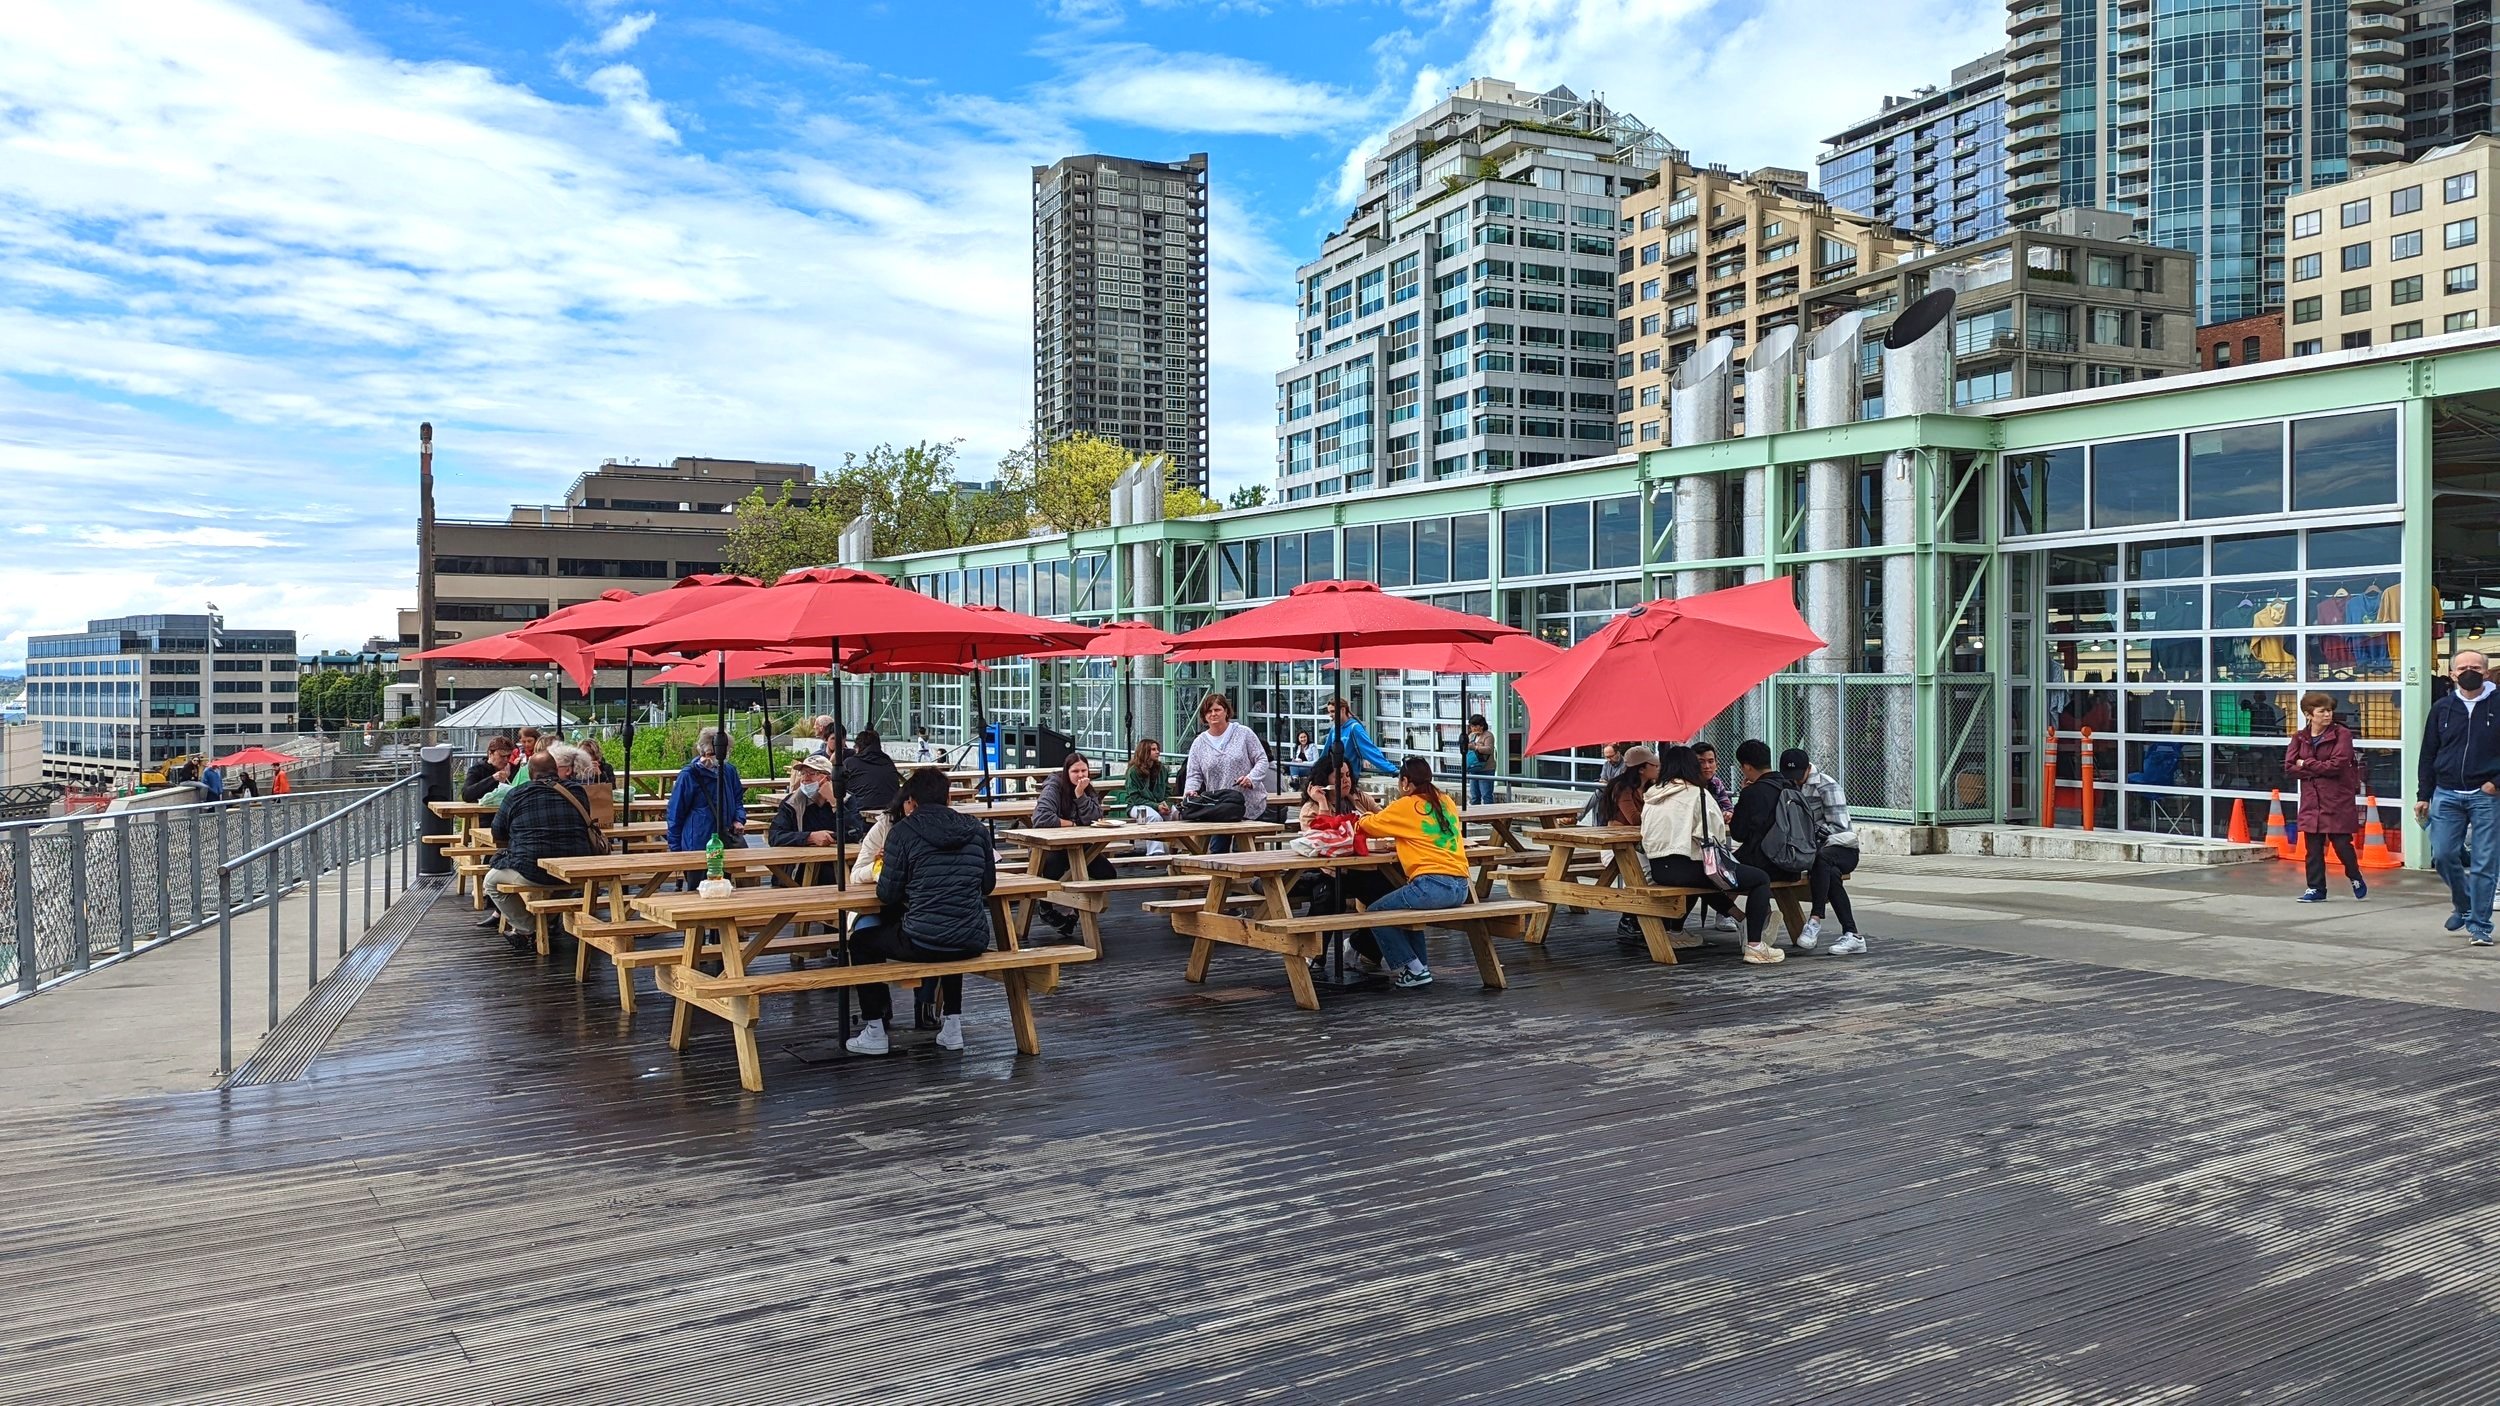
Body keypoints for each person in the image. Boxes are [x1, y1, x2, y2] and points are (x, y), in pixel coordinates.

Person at [848, 767, 998, 1055]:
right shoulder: (976, 830)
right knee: (952, 929)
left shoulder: (903, 833)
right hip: (972, 940)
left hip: (922, 940)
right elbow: (987, 886)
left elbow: (887, 894)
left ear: (910, 801)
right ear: (947, 799)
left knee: (860, 942)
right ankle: (952, 1026)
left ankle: (875, 1031)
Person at [1640, 744, 1781, 964]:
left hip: (1660, 869)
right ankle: (1755, 945)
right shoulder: (1697, 794)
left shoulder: (1651, 796)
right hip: (1687, 867)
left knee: (1703, 879)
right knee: (1759, 879)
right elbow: (1714, 832)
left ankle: (1682, 932)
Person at [1348, 757, 1470, 989]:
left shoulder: (1406, 805)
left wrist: (1359, 816)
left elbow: (1369, 825)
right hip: (1461, 886)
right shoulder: (1446, 801)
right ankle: (1419, 966)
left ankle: (1412, 968)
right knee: (1406, 912)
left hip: (1431, 885)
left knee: (1375, 913)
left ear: (1405, 782)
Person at [2417, 650, 2500, 945]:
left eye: (2475, 667)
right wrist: (2423, 794)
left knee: (2484, 862)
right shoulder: (2442, 708)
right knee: (2443, 854)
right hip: (2446, 792)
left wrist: (2495, 783)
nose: (2469, 672)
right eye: (2462, 667)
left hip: (2486, 795)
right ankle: (2464, 906)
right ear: (2452, 674)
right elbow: (2428, 753)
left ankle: (2480, 925)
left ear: (2486, 672)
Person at [481, 750, 602, 951]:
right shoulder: (577, 791)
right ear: (556, 770)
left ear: (530, 774)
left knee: (491, 882)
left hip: (532, 868)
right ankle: (545, 921)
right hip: (576, 865)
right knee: (567, 881)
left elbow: (497, 831)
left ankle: (528, 928)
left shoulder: (516, 794)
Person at [1295, 756, 1389, 972]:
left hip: (1363, 868)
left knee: (1390, 896)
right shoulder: (1311, 809)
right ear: (1323, 781)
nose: (1346, 780)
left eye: (1348, 775)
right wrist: (1322, 803)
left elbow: (1384, 821)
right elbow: (1318, 840)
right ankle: (1313, 954)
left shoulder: (1359, 798)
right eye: (1339, 776)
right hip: (1329, 872)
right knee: (1328, 899)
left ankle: (1362, 946)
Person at [1783, 747, 1865, 956]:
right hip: (1814, 853)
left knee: (1823, 859)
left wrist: (1808, 830)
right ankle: (1853, 935)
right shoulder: (1788, 785)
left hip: (1841, 847)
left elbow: (1840, 826)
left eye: (1798, 776)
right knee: (1830, 873)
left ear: (1808, 768)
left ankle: (1815, 919)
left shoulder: (1826, 786)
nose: (1796, 781)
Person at [2287, 691, 2366, 903]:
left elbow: (2337, 765)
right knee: (2312, 848)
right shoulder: (2300, 737)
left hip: (2337, 798)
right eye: (2322, 711)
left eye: (2329, 710)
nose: (2327, 715)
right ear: (2309, 714)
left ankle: (2354, 875)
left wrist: (2307, 763)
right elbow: (2289, 766)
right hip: (2311, 800)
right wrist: (2313, 768)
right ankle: (2315, 888)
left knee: (2342, 844)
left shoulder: (2342, 734)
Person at [1030, 752, 1113, 935]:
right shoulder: (1053, 787)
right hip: (1051, 847)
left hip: (1080, 847)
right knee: (1054, 872)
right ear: (1066, 772)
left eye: (1084, 770)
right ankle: (1045, 907)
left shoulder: (1087, 789)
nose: (1081, 775)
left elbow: (1095, 818)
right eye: (1075, 771)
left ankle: (1075, 913)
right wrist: (1074, 824)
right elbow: (1041, 817)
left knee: (1107, 874)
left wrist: (1080, 796)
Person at [1182, 692, 1270, 839]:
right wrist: (1190, 791)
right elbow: (1194, 774)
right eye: (1209, 711)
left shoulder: (1244, 733)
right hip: (1219, 807)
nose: (1213, 714)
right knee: (1217, 851)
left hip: (1247, 802)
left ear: (1226, 711)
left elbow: (1262, 760)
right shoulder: (1199, 743)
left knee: (1241, 851)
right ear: (1204, 716)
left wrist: (1251, 778)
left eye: (1217, 710)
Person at [663, 726, 747, 854]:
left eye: (723, 753)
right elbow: (675, 813)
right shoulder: (689, 775)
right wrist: (676, 849)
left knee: (725, 874)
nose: (718, 758)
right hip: (697, 844)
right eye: (711, 753)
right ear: (703, 753)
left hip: (726, 843)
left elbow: (737, 800)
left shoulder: (729, 771)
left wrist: (738, 819)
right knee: (700, 874)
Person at [767, 754, 844, 850]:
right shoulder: (792, 802)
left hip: (838, 859)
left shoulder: (845, 798)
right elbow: (775, 836)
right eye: (802, 773)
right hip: (802, 862)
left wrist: (834, 802)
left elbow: (855, 832)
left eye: (812, 773)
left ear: (828, 778)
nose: (805, 778)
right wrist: (809, 837)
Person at [1321, 698, 1395, 778]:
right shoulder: (1334, 728)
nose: (1330, 715)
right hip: (1335, 775)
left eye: (1333, 711)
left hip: (1349, 776)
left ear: (1342, 710)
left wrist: (1392, 770)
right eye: (1329, 712)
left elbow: (1370, 751)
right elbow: (1325, 752)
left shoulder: (1355, 728)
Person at [839, 728, 902, 819]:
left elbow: (840, 790)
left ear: (858, 747)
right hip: (892, 812)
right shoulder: (888, 761)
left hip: (860, 814)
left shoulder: (850, 763)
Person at [1120, 738, 1174, 822]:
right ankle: (1151, 835)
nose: (1157, 752)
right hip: (1136, 806)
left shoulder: (1162, 769)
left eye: (1157, 749)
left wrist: (1166, 804)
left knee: (1176, 815)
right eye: (1153, 749)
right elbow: (1135, 798)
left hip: (1158, 804)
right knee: (1155, 818)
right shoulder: (1133, 771)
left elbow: (1168, 790)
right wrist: (1156, 806)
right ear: (1144, 752)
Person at [1579, 742, 1628, 823]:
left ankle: (1577, 816)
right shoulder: (1606, 764)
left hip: (1619, 792)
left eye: (1611, 756)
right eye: (1606, 757)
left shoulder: (1625, 765)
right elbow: (1603, 780)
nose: (1609, 760)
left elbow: (1619, 782)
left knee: (1598, 793)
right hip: (1606, 792)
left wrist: (1608, 783)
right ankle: (1579, 816)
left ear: (1618, 753)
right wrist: (1608, 783)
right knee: (1599, 793)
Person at [462, 737, 515, 803]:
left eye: (508, 756)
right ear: (490, 754)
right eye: (502, 756)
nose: (506, 760)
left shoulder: (513, 769)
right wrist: (493, 779)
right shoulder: (477, 769)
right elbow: (466, 794)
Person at [1463, 715, 1497, 806]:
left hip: (1486, 769)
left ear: (1481, 726)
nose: (1473, 728)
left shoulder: (1488, 735)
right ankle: (1475, 817)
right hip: (1474, 768)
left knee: (1486, 795)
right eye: (1472, 726)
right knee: (1474, 795)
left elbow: (1489, 749)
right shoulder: (1472, 736)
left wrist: (1476, 747)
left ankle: (1489, 817)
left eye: (1475, 726)